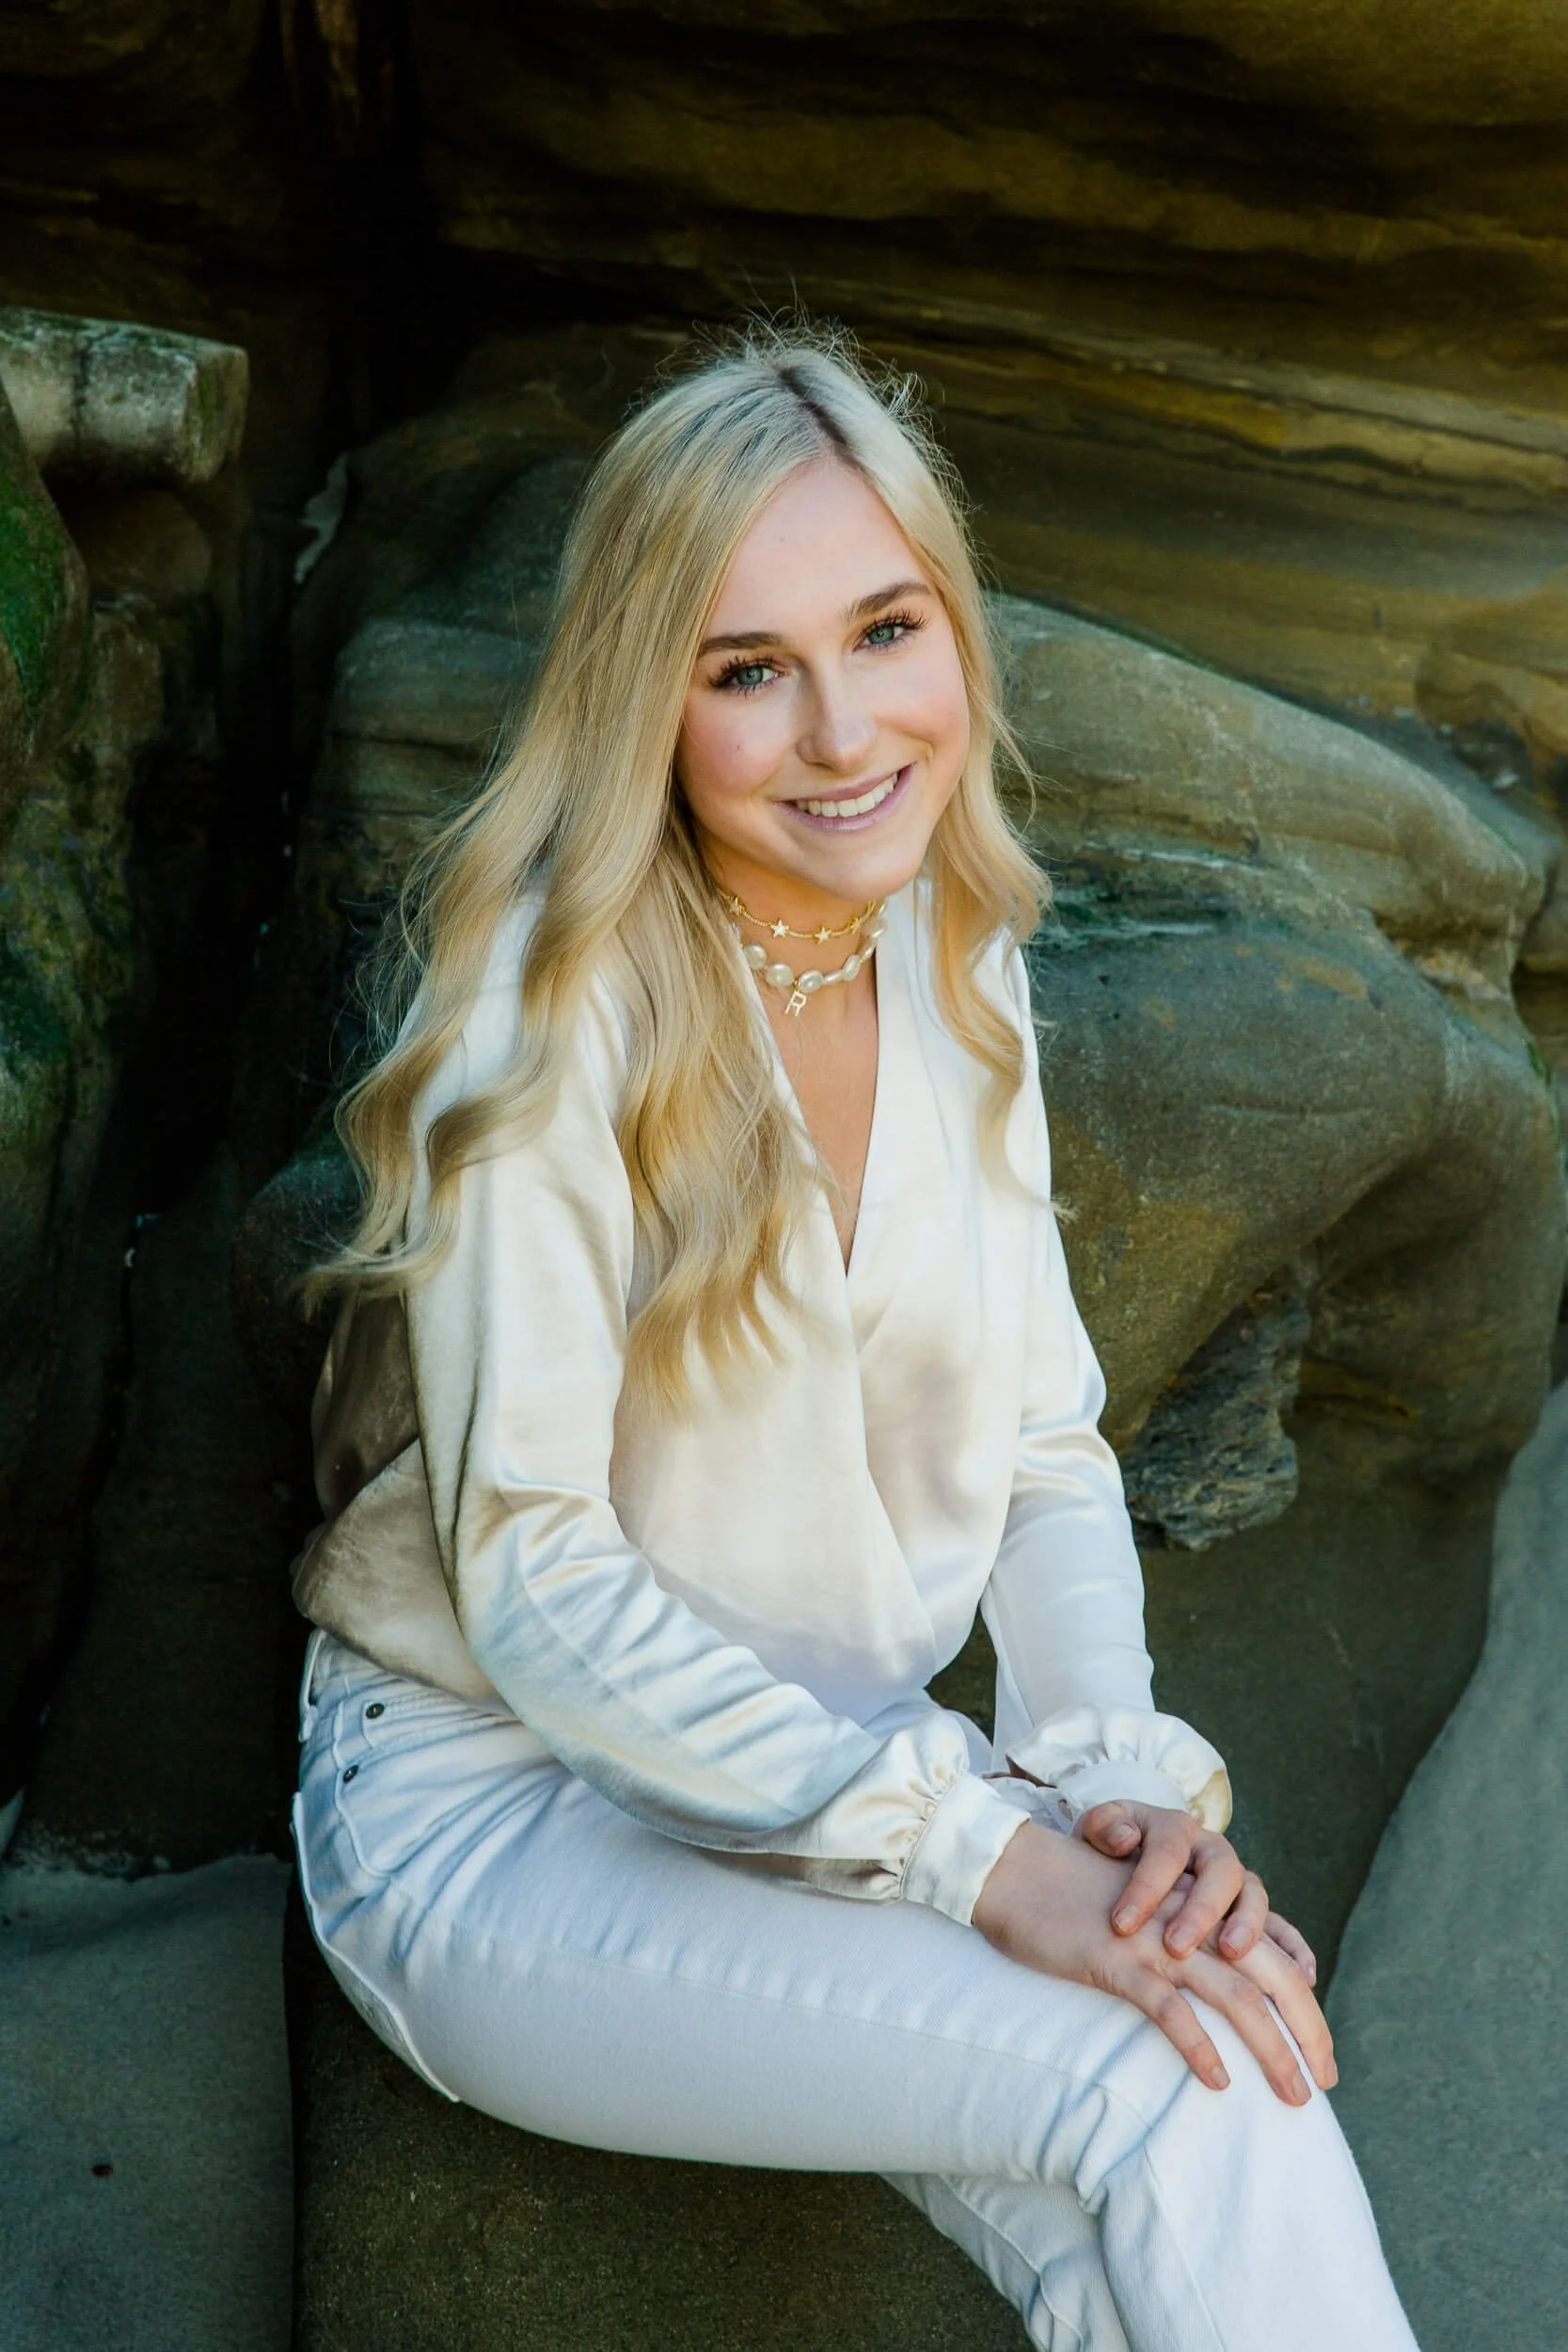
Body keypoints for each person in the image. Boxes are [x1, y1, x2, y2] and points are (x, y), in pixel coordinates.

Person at [290, 323, 1419, 2350]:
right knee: (1155, 2075)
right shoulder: (541, 1039)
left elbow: (1048, 1442)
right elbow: (534, 1584)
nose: (838, 730)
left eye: (883, 627)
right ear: (648, 705)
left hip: (845, 1766)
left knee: (1210, 2076)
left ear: (954, 630)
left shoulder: (945, 941)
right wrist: (975, 1850)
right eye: (745, 669)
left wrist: (1107, 1790)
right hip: (506, 1812)